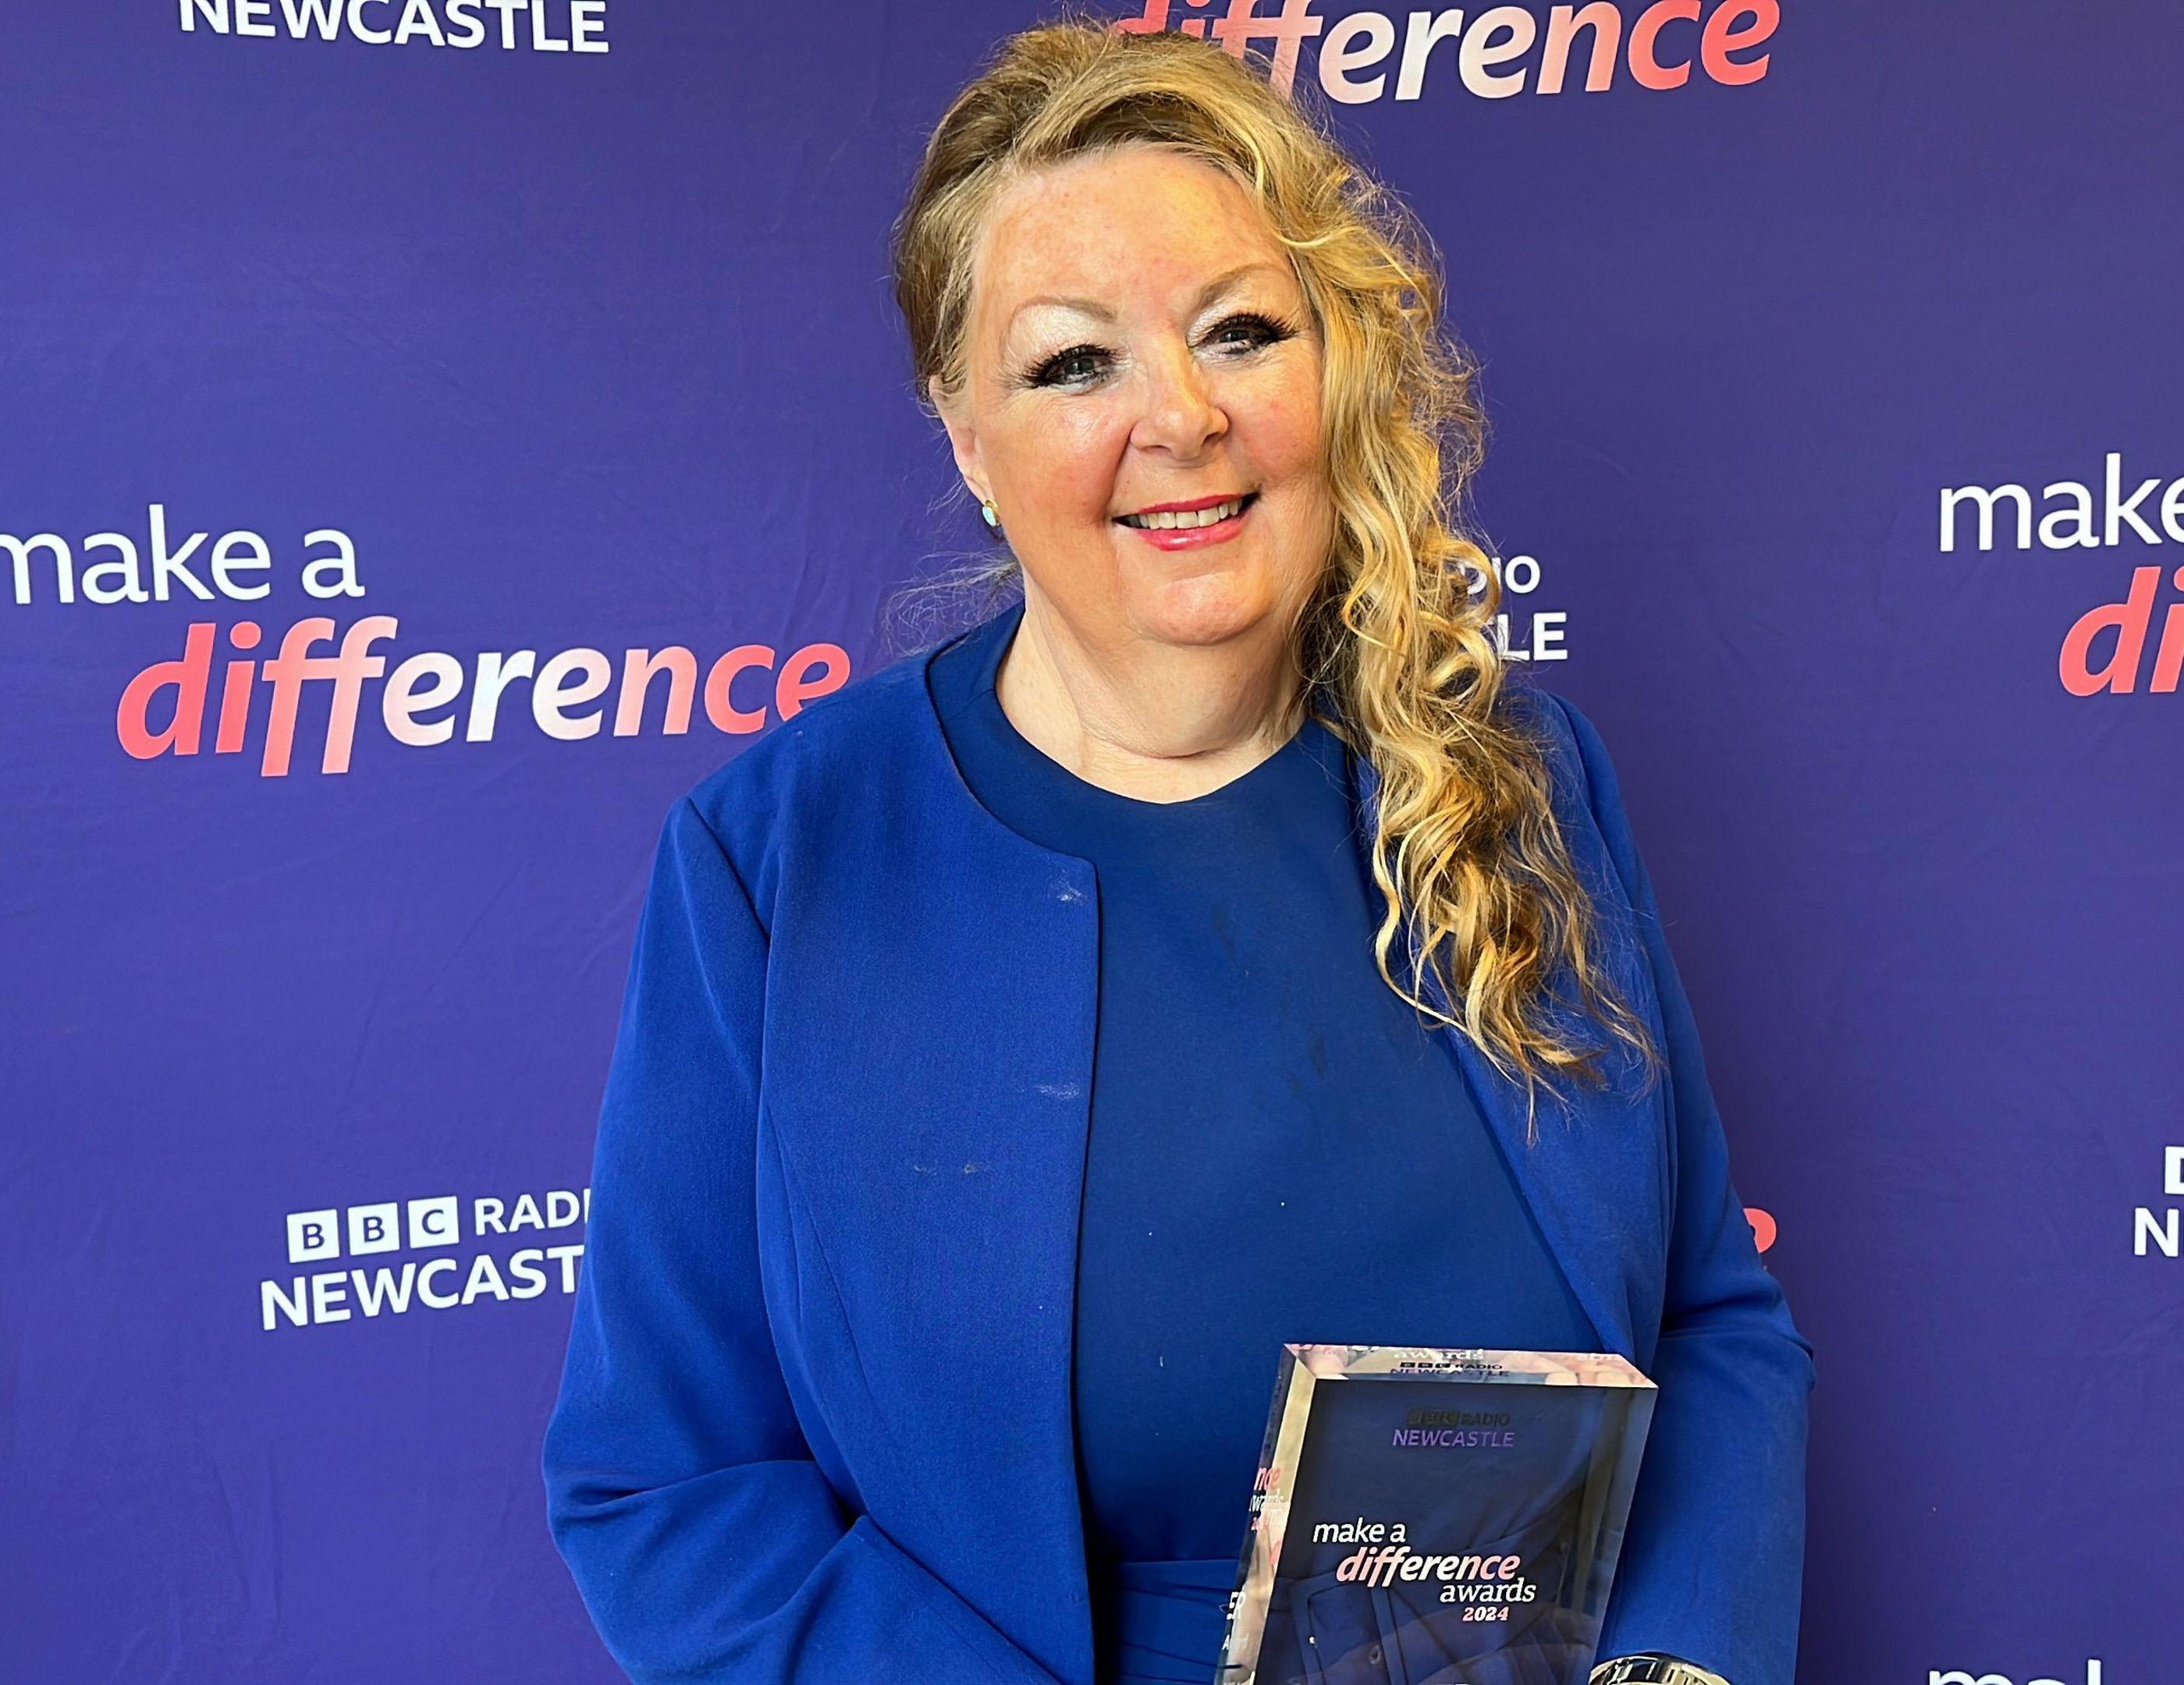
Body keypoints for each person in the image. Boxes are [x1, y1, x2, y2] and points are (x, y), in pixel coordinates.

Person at [542, 21, 1811, 1685]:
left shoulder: (1529, 778)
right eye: (1075, 364)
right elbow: (673, 1483)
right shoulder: (780, 860)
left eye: (1242, 331)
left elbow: (1713, 1325)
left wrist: (1681, 1670)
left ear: (1331, 372)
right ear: (964, 433)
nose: (1185, 417)